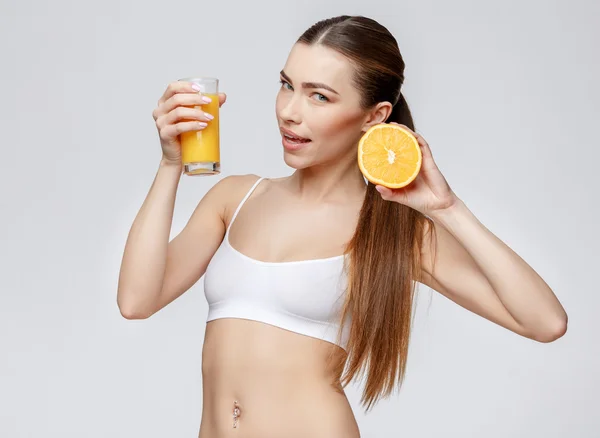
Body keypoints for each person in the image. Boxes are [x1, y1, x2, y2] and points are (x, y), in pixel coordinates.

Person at [116, 15, 568, 438]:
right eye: (286, 85)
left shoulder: (392, 231)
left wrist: (447, 208)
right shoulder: (236, 199)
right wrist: (170, 164)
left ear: (375, 115)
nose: (290, 111)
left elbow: (545, 322)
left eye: (319, 96)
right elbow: (137, 300)